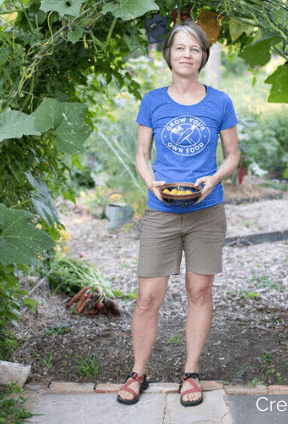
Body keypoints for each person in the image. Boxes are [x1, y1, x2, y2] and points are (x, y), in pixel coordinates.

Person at [117, 21, 240, 407]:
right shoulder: (153, 101)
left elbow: (233, 156)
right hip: (161, 210)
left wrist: (213, 178)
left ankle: (191, 372)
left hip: (206, 209)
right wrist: (152, 183)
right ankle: (138, 372)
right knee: (148, 297)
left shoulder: (219, 102)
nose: (187, 55)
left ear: (203, 56)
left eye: (195, 49)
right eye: (180, 48)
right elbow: (141, 154)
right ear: (168, 54)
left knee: (199, 292)